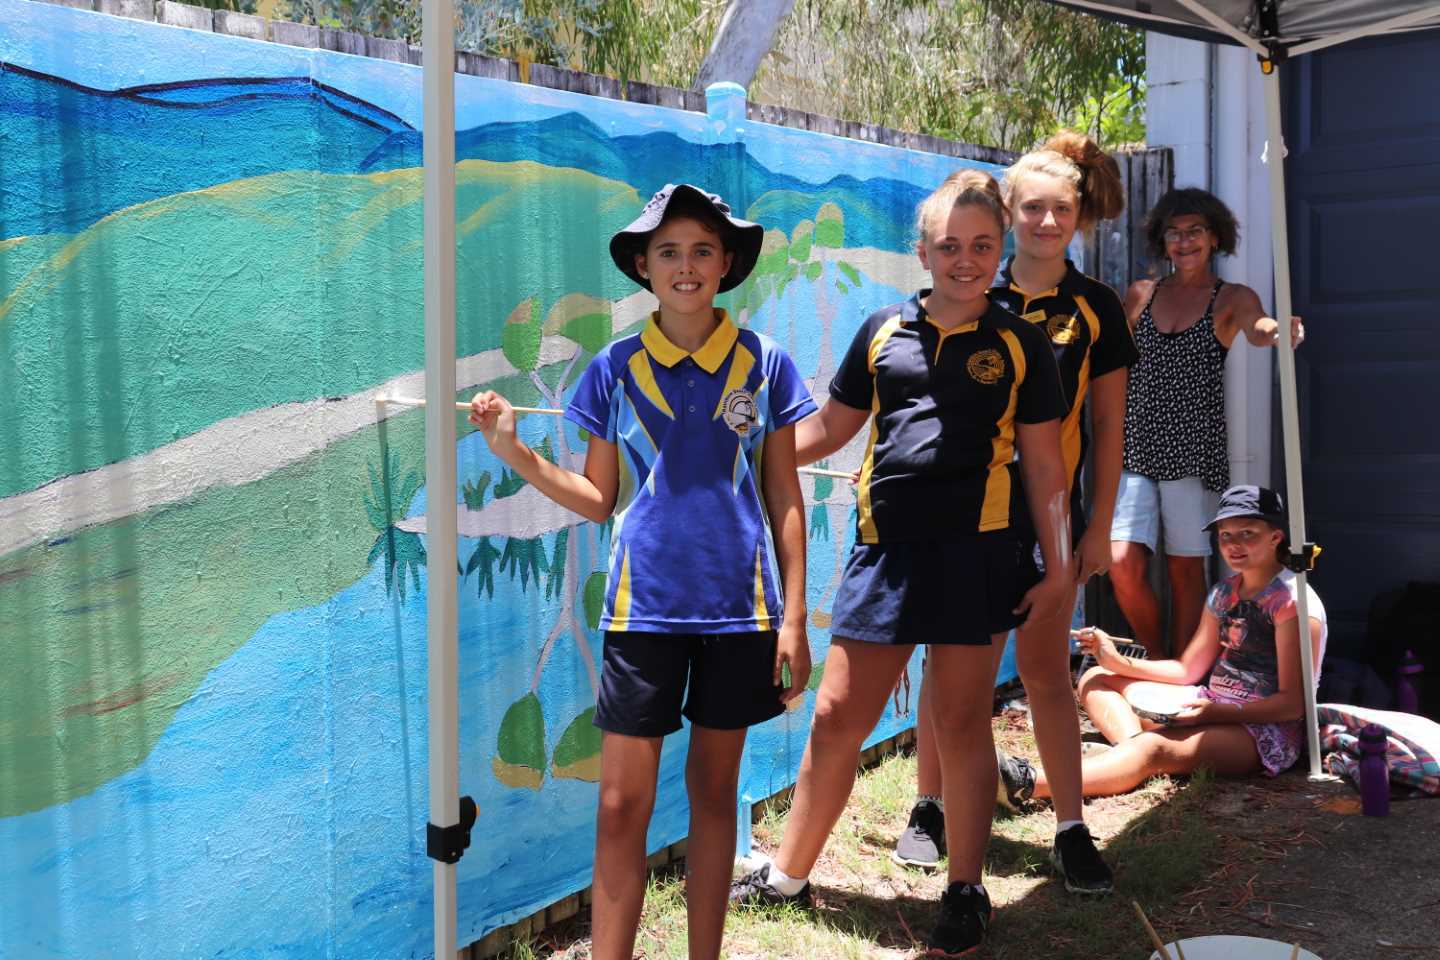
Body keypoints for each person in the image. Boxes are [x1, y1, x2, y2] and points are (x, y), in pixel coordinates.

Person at [729, 169, 1072, 958]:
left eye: (981, 246)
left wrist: (1058, 568)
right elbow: (828, 429)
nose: (965, 261)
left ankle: (965, 890)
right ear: (922, 252)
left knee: (959, 722)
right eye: (949, 246)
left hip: (978, 556)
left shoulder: (1020, 343)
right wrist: (745, 447)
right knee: (834, 716)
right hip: (883, 555)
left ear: (1000, 250)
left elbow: (1047, 466)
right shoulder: (882, 331)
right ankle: (788, 877)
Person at [468, 184, 814, 960]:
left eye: (701, 250)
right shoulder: (614, 368)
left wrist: (793, 616)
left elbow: (785, 494)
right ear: (642, 267)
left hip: (742, 616)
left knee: (715, 796)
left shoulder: (765, 364)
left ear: (726, 263)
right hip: (641, 613)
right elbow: (597, 499)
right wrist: (512, 451)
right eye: (668, 252)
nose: (685, 266)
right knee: (621, 808)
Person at [893, 132, 1132, 896]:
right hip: (971, 517)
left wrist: (1098, 526)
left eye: (1061, 208)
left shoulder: (1095, 307)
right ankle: (929, 808)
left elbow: (1108, 426)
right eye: (1031, 208)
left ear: (1080, 215)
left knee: (1046, 673)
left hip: (1050, 522)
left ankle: (1071, 829)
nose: (1046, 221)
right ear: (1008, 213)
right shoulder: (974, 295)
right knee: (951, 672)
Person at [997, 485, 1328, 803]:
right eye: (1225, 535)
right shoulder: (1225, 592)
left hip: (1262, 732)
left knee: (1152, 748)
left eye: (1247, 533)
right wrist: (1115, 661)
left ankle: (1025, 783)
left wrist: (1214, 713)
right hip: (1211, 705)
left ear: (1275, 537)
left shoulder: (1292, 603)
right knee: (1096, 678)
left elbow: (1292, 705)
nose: (1234, 544)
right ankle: (1131, 757)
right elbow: (1187, 670)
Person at [1110, 188, 1304, 660]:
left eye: (1194, 231)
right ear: (1162, 241)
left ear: (1215, 237)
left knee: (1184, 572)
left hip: (1193, 454)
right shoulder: (1141, 294)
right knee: (1120, 563)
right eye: (1174, 233)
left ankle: (1185, 672)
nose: (1184, 242)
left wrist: (1279, 330)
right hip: (1134, 449)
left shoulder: (1231, 298)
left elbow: (1259, 328)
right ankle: (1159, 662)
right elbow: (1108, 358)